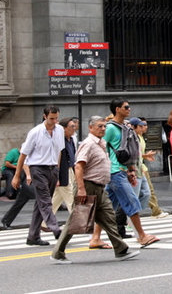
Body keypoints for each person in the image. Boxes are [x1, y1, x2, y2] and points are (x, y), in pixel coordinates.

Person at [50, 116, 140, 264]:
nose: (103, 129)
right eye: (99, 126)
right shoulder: (89, 144)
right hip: (88, 186)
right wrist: (81, 189)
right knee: (76, 220)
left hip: (100, 187)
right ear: (90, 128)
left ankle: (120, 249)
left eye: (104, 126)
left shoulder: (102, 144)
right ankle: (58, 252)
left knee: (109, 217)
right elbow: (79, 166)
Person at [104, 98, 159, 248]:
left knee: (106, 207)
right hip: (114, 172)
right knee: (132, 201)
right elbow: (100, 147)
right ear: (117, 109)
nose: (129, 109)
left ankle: (95, 237)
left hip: (122, 170)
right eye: (126, 107)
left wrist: (131, 169)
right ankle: (141, 236)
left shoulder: (125, 127)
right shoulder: (110, 128)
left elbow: (130, 151)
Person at [11, 105, 65, 246]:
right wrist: (17, 175)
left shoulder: (59, 130)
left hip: (52, 169)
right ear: (45, 116)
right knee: (45, 200)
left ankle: (33, 236)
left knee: (40, 203)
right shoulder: (35, 132)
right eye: (51, 118)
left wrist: (57, 172)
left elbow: (59, 151)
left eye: (56, 118)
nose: (54, 121)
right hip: (37, 168)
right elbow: (23, 155)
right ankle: (55, 228)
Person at [41, 117, 77, 232]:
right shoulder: (60, 140)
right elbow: (57, 158)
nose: (74, 128)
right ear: (64, 128)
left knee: (56, 199)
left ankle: (44, 222)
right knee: (71, 198)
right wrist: (56, 176)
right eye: (71, 126)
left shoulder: (70, 139)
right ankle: (78, 221)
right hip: (62, 172)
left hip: (70, 170)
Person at [134, 117, 168, 218]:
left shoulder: (140, 138)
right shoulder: (135, 138)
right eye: (141, 125)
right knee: (144, 192)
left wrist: (145, 156)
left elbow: (138, 154)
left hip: (141, 167)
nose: (144, 127)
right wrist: (144, 156)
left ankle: (155, 211)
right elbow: (133, 154)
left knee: (147, 192)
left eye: (145, 125)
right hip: (137, 168)